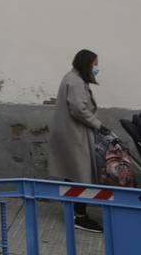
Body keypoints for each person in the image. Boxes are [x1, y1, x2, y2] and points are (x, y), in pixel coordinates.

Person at [48, 49, 112, 233]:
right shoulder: (75, 81)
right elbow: (79, 109)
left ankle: (74, 211)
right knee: (81, 175)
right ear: (87, 64)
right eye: (95, 64)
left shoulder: (73, 77)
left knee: (74, 174)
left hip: (72, 133)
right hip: (74, 134)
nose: (96, 68)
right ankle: (79, 215)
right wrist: (99, 125)